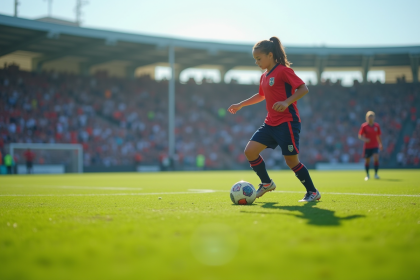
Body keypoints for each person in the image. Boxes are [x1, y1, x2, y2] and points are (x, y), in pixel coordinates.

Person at [227, 37, 321, 202]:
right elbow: (261, 95)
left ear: (270, 55)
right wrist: (241, 104)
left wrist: (286, 102)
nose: (256, 62)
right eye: (255, 59)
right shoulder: (264, 76)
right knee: (250, 151)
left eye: (259, 58)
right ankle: (266, 183)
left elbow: (303, 88)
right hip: (270, 123)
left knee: (291, 161)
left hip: (287, 123)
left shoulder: (283, 71)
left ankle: (313, 192)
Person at [358, 111, 382, 180]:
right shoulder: (364, 126)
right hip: (367, 146)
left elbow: (378, 136)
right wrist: (365, 139)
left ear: (374, 117)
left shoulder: (377, 126)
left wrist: (380, 144)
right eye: (369, 116)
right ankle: (367, 175)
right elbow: (360, 135)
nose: (370, 117)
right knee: (367, 160)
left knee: (376, 157)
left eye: (371, 116)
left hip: (375, 145)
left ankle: (376, 174)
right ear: (366, 118)